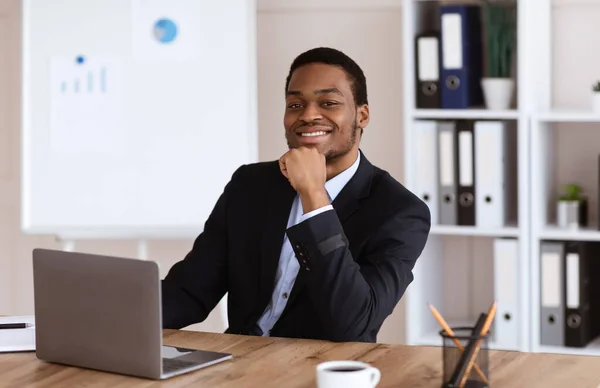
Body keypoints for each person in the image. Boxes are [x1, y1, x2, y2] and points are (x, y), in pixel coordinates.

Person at [161, 47, 431, 343]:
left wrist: (314, 196)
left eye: (329, 102)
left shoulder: (400, 212)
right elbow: (190, 292)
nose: (309, 115)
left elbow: (351, 324)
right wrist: (116, 317)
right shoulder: (250, 185)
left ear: (362, 115)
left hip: (324, 371)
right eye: (295, 104)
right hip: (239, 363)